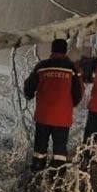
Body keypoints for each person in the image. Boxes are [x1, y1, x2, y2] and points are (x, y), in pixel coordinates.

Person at [23, 38, 84, 182]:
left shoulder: (41, 66)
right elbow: (78, 93)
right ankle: (56, 181)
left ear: (52, 50)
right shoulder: (72, 69)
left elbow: (29, 86)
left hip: (43, 116)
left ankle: (36, 178)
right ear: (65, 51)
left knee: (40, 150)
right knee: (59, 151)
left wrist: (29, 95)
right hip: (62, 118)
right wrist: (70, 104)